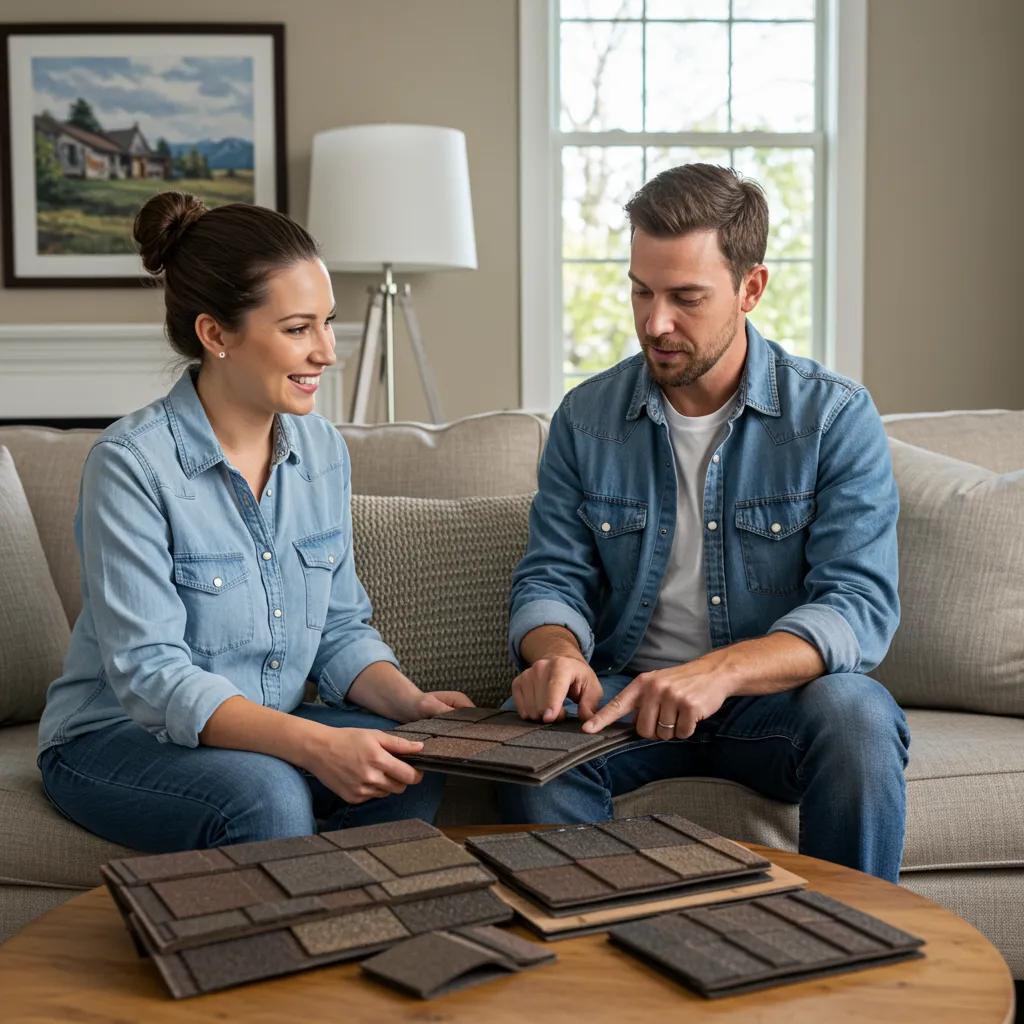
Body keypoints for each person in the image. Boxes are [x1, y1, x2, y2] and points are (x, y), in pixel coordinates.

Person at [498, 164, 910, 882]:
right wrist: (555, 654)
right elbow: (552, 576)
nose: (655, 323)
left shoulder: (834, 418)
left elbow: (859, 607)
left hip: (771, 707)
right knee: (524, 744)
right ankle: (602, 952)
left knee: (859, 716)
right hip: (627, 700)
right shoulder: (586, 419)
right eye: (640, 291)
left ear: (751, 288)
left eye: (686, 297)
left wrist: (716, 675)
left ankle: (857, 953)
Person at [36, 191, 473, 852]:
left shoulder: (321, 450)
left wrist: (410, 707)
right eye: (299, 329)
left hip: (268, 725)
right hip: (113, 737)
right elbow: (154, 677)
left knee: (406, 767)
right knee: (267, 793)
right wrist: (317, 743)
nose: (327, 351)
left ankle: (362, 938)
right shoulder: (131, 465)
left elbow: (338, 626)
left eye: (328, 323)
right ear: (216, 335)